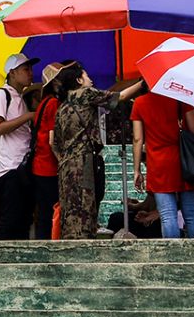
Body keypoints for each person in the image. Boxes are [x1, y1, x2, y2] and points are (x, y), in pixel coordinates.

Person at [51, 68, 145, 240]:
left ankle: (71, 243)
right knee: (85, 206)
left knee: (70, 209)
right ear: (79, 81)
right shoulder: (85, 94)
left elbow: (55, 143)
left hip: (65, 166)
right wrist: (142, 83)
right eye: (86, 76)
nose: (90, 79)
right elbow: (120, 97)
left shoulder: (62, 107)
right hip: (84, 160)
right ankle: (84, 244)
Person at [0, 54, 37, 240]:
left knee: (22, 220)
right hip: (9, 168)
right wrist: (29, 116)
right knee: (10, 219)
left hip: (22, 166)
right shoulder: (1, 94)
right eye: (25, 69)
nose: (30, 73)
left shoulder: (19, 98)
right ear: (12, 73)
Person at [133, 89, 194, 238]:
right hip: (186, 162)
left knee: (167, 215)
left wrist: (137, 170)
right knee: (192, 214)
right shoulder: (182, 97)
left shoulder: (139, 103)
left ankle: (173, 259)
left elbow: (138, 139)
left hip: (159, 164)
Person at [31, 63, 67, 239]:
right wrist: (63, 161)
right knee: (50, 211)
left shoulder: (43, 103)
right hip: (48, 166)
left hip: (40, 165)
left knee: (44, 211)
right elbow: (53, 139)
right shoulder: (53, 103)